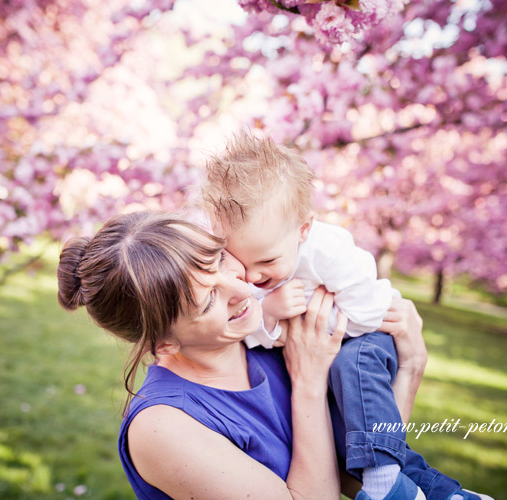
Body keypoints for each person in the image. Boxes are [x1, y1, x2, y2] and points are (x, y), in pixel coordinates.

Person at [198, 133, 492, 500]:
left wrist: (320, 331)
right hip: (321, 349)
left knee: (350, 367)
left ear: (303, 229)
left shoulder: (330, 252)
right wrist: (270, 313)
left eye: (268, 262)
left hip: (364, 338)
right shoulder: (250, 263)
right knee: (349, 440)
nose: (254, 277)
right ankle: (444, 494)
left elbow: (370, 311)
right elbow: (253, 333)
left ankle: (383, 477)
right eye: (243, 262)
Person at [56, 210, 429, 499]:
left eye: (218, 260)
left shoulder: (269, 341)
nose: (240, 288)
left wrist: (409, 369)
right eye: (206, 302)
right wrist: (309, 385)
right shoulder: (163, 427)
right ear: (164, 343)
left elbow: (359, 474)